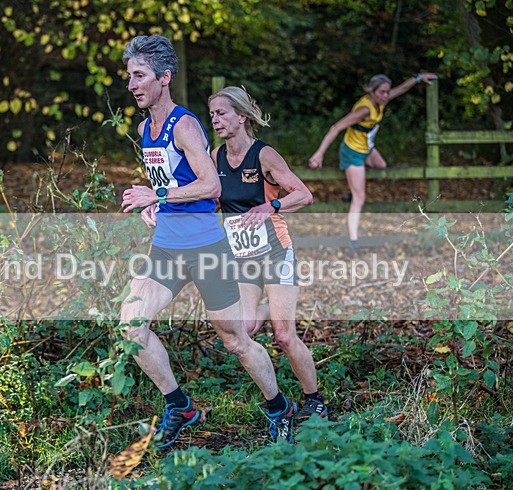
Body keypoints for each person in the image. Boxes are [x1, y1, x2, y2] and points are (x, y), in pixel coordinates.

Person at [119, 35, 297, 447]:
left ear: (164, 78)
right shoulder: (146, 127)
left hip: (205, 248)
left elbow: (210, 183)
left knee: (234, 339)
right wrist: (155, 204)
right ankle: (179, 405)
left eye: (139, 75)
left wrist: (157, 195)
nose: (132, 84)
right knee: (132, 325)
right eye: (129, 76)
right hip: (166, 246)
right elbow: (170, 183)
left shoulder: (184, 124)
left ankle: (279, 406)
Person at [207, 86, 328, 420]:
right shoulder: (216, 157)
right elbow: (216, 199)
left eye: (223, 113)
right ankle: (272, 305)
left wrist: (270, 206)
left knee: (284, 336)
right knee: (244, 329)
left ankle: (315, 399)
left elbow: (304, 195)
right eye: (213, 114)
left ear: (242, 116)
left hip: (275, 252)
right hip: (243, 257)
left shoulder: (264, 156)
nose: (216, 120)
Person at [308, 72, 438, 249]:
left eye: (387, 92)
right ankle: (353, 241)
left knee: (381, 166)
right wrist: (319, 153)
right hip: (352, 151)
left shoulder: (382, 100)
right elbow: (336, 127)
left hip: (366, 148)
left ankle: (351, 189)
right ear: (372, 91)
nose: (385, 95)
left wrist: (418, 78)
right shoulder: (364, 109)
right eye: (382, 92)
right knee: (360, 197)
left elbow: (401, 89)